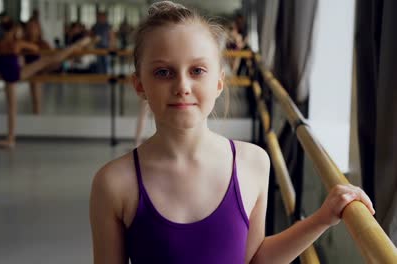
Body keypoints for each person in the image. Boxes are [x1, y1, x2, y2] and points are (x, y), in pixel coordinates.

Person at [89, 2, 375, 263]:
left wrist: (323, 218)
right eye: (164, 72)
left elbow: (255, 259)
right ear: (139, 85)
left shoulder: (253, 163)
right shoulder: (114, 183)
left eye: (197, 70)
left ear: (219, 83)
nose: (182, 86)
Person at [0, 21, 95, 149]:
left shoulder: (8, 44)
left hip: (14, 74)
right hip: (14, 74)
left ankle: (11, 138)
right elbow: (33, 49)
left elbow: (33, 50)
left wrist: (21, 55)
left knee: (48, 61)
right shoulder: (13, 43)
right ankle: (10, 138)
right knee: (48, 60)